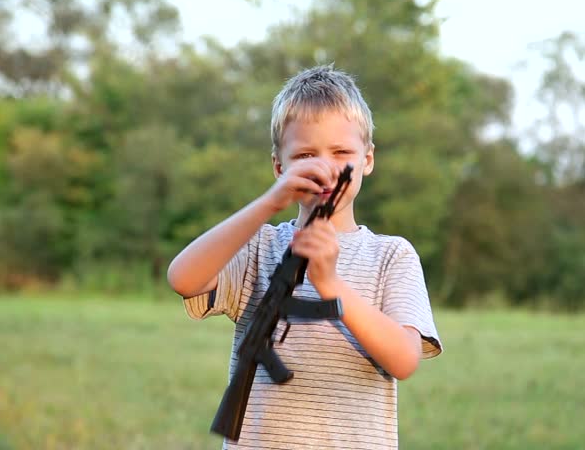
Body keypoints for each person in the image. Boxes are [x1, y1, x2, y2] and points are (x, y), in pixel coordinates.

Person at [167, 64, 442, 449]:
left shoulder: (391, 255)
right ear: (279, 166)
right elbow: (182, 278)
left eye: (342, 152)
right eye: (306, 155)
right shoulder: (259, 246)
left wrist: (330, 285)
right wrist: (269, 202)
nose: (325, 167)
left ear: (367, 159)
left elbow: (404, 360)